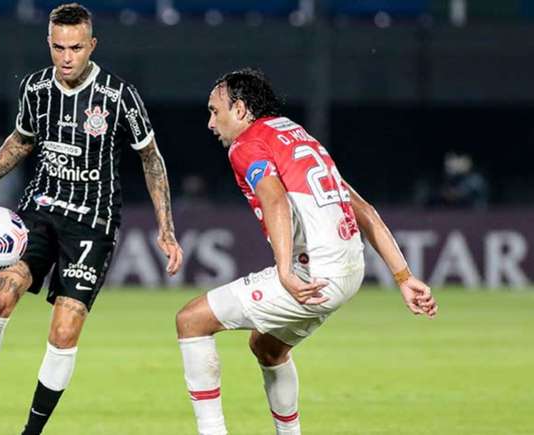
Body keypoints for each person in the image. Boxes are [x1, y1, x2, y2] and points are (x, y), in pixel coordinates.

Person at [0, 4, 183, 434]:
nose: (66, 57)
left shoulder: (118, 96)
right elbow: (19, 143)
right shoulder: (35, 89)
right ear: (48, 44)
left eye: (75, 47)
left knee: (64, 330)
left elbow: (152, 158)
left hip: (93, 223)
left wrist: (166, 228)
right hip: (40, 211)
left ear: (92, 45)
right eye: (58, 47)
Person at [175, 68, 437, 435]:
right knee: (268, 348)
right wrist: (404, 276)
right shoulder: (293, 134)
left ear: (240, 109)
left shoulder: (246, 144)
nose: (210, 123)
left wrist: (284, 271)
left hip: (314, 273)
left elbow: (274, 198)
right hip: (350, 269)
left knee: (191, 321)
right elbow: (363, 208)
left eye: (214, 111)